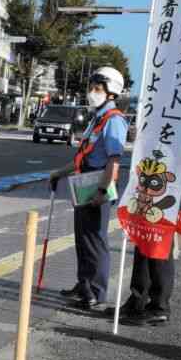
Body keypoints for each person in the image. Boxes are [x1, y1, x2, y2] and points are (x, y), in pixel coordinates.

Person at [49, 67, 128, 310]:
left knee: (95, 241)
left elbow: (114, 159)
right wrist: (58, 174)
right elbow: (82, 157)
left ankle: (96, 292)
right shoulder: (97, 119)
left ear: (111, 93)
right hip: (84, 183)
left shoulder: (114, 120)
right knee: (83, 240)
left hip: (97, 186)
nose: (91, 93)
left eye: (97, 89)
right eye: (91, 88)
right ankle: (83, 285)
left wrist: (103, 191)